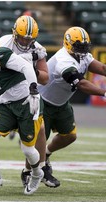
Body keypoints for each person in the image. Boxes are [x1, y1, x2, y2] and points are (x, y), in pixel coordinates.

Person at [0, 16, 59, 193]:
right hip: (5, 102)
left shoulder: (4, 51)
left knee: (28, 149)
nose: (25, 41)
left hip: (26, 101)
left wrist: (34, 91)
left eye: (29, 38)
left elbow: (34, 72)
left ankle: (36, 172)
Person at [38, 26, 106, 184]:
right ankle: (32, 171)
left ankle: (46, 154)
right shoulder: (64, 61)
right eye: (79, 46)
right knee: (38, 141)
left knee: (70, 136)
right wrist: (103, 93)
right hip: (43, 102)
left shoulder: (83, 56)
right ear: (68, 44)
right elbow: (81, 84)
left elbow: (102, 68)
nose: (82, 50)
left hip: (61, 103)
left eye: (84, 46)